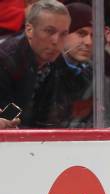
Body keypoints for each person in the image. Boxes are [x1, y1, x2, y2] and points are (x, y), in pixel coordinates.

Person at [0, 0, 71, 128]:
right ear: (29, 30)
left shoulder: (57, 62)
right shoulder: (6, 61)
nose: (56, 41)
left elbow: (54, 116)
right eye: (49, 31)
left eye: (63, 34)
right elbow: (7, 114)